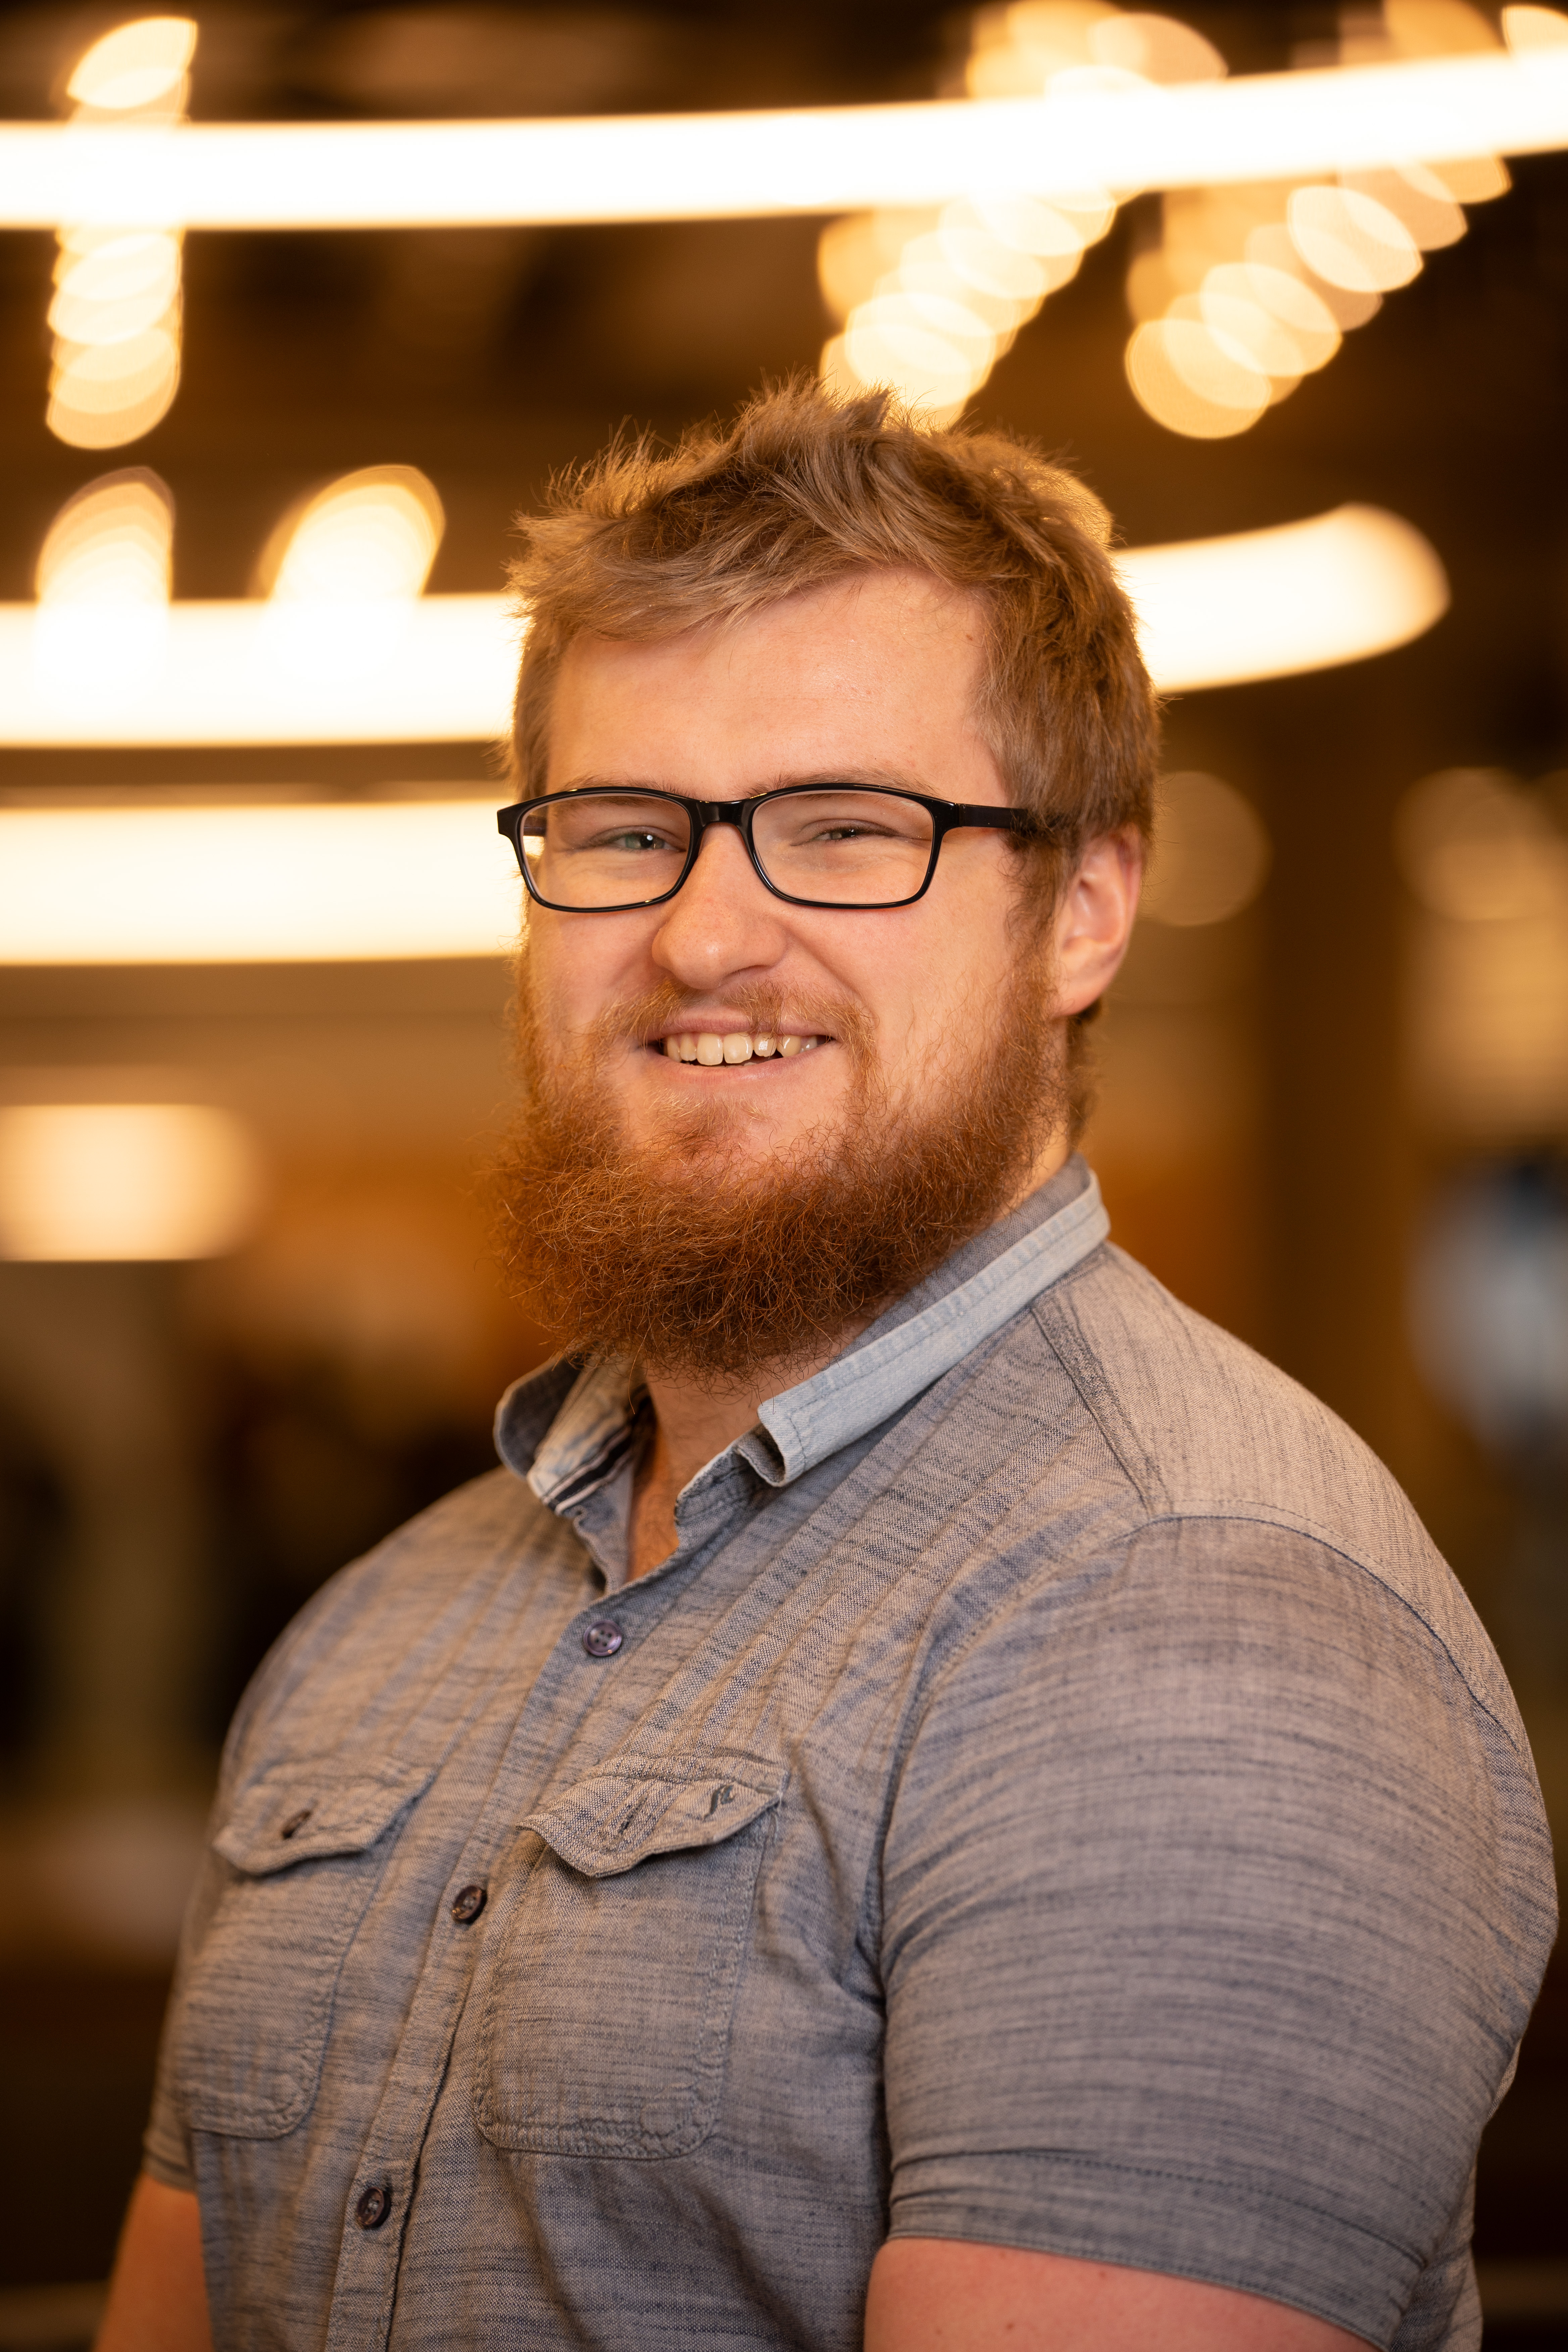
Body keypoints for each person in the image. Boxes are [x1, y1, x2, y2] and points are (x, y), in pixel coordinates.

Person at [99, 382, 1554, 2352]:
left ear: (1086, 908)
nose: (707, 936)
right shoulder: (387, 1621)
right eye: (624, 830)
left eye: (847, 831)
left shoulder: (1195, 1617)